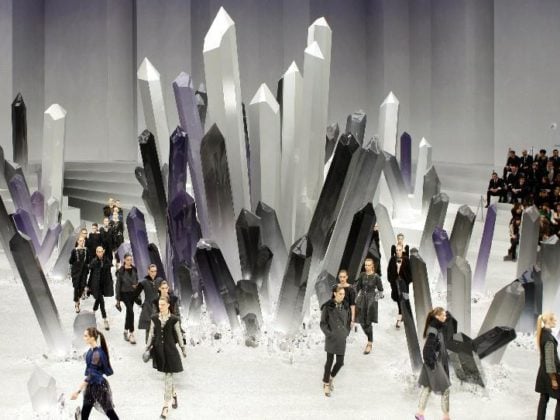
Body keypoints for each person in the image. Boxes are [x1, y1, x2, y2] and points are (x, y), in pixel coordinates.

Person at [145, 296, 187, 419]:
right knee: (167, 376)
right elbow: (151, 334)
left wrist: (183, 348)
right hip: (159, 352)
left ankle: (165, 406)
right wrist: (147, 347)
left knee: (168, 376)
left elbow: (179, 334)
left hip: (171, 351)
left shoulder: (174, 319)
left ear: (168, 305)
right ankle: (174, 394)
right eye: (159, 304)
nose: (161, 307)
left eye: (163, 304)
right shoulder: (154, 318)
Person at [70, 327, 119, 419]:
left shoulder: (97, 354)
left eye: (86, 336)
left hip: (99, 388)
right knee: (84, 414)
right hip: (90, 387)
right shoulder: (90, 351)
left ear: (92, 338)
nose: (84, 338)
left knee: (110, 413)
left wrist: (78, 391)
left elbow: (91, 375)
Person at [415, 307, 451, 420]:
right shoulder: (433, 330)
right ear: (437, 317)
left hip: (433, 362)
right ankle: (446, 417)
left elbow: (435, 346)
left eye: (445, 315)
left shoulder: (437, 328)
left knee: (428, 387)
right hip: (433, 363)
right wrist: (432, 364)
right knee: (445, 388)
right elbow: (426, 349)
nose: (445, 317)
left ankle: (419, 414)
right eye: (443, 315)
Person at [320, 285, 351, 397]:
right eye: (340, 294)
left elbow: (348, 321)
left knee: (340, 362)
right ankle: (326, 383)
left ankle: (331, 377)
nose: (342, 296)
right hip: (331, 338)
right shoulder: (328, 307)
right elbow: (323, 323)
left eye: (343, 294)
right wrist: (329, 334)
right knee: (329, 361)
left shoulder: (346, 306)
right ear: (335, 294)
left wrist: (346, 332)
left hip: (341, 337)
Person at [355, 258, 384, 355]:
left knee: (368, 322)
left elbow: (381, 290)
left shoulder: (376, 277)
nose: (366, 267)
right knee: (361, 320)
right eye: (365, 265)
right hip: (362, 299)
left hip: (371, 301)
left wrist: (377, 297)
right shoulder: (362, 275)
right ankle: (369, 337)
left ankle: (369, 342)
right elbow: (358, 287)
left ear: (372, 266)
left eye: (368, 265)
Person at [535, 312, 560, 420]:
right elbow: (549, 360)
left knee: (544, 398)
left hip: (543, 372)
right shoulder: (548, 338)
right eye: (554, 319)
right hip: (550, 374)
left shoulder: (543, 334)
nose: (556, 321)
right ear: (549, 321)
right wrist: (553, 379)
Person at [133, 264, 164, 343]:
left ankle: (157, 346)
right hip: (148, 307)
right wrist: (140, 303)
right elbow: (135, 295)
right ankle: (148, 347)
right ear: (148, 271)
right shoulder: (143, 282)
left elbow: (164, 292)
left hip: (158, 307)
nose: (153, 273)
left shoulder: (159, 280)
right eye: (152, 271)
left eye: (155, 271)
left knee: (158, 327)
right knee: (148, 328)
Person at [87, 246, 114, 331]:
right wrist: (88, 286)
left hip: (104, 284)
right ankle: (105, 319)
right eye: (98, 252)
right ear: (96, 252)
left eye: (101, 251)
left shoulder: (107, 261)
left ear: (103, 251)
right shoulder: (94, 262)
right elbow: (91, 275)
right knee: (101, 302)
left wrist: (110, 283)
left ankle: (93, 313)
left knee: (98, 300)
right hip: (96, 285)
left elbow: (109, 274)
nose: (99, 253)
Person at [115, 254, 139, 344]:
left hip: (132, 293)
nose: (130, 261)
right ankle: (131, 333)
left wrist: (136, 286)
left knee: (129, 312)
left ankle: (125, 331)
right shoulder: (121, 271)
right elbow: (118, 285)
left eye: (131, 260)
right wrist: (118, 299)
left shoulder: (134, 269)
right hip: (124, 294)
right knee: (131, 312)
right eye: (128, 260)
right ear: (124, 260)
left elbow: (136, 280)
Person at [387, 244, 412, 329]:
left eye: (399, 250)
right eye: (397, 250)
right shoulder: (392, 259)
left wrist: (406, 281)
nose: (398, 251)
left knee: (403, 302)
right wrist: (391, 280)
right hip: (395, 284)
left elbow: (410, 272)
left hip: (403, 284)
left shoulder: (406, 260)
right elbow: (389, 270)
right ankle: (402, 317)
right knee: (399, 302)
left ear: (402, 250)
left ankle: (399, 319)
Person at [69, 237, 89, 313]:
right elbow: (71, 261)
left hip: (84, 272)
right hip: (76, 272)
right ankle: (77, 304)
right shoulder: (74, 251)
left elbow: (88, 260)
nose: (82, 242)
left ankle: (79, 297)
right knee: (76, 287)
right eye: (80, 241)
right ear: (77, 241)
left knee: (82, 286)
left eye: (83, 241)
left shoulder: (86, 250)